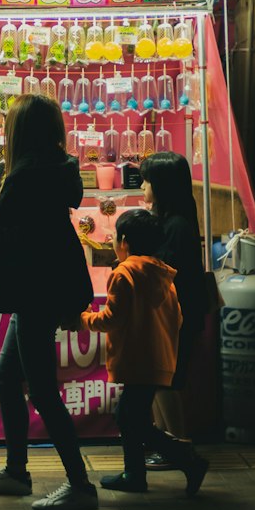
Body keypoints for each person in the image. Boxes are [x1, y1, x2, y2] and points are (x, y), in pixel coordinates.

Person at [0, 94, 97, 510]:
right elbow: (21, 212)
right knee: (7, 380)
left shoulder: (26, 172)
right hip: (48, 283)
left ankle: (80, 485)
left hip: (35, 288)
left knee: (41, 390)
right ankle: (16, 472)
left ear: (20, 131)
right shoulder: (57, 166)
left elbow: (6, 221)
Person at [80, 209, 181, 493]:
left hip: (137, 358)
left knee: (127, 416)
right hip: (159, 358)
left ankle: (183, 458)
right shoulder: (162, 273)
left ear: (124, 241)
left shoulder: (124, 273)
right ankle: (137, 473)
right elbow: (177, 318)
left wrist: (84, 318)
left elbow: (112, 319)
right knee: (132, 416)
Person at [138, 152, 212, 495]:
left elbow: (164, 270)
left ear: (163, 187)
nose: (143, 187)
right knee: (159, 380)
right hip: (174, 313)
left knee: (165, 380)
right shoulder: (174, 221)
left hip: (177, 314)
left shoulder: (176, 226)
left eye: (148, 181)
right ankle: (169, 444)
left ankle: (180, 444)